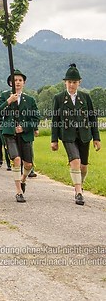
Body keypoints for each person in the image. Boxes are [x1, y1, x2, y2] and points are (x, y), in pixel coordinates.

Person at [51, 64, 101, 205]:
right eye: (69, 82)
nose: (71, 85)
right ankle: (78, 192)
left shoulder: (85, 97)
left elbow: (92, 118)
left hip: (84, 135)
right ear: (65, 82)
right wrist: (54, 140)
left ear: (79, 82)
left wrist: (96, 138)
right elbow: (55, 120)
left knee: (83, 166)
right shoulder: (59, 98)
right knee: (75, 162)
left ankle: (80, 184)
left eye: (74, 82)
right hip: (68, 135)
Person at [0, 69, 40, 203]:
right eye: (15, 80)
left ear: (24, 83)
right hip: (10, 134)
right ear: (10, 83)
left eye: (20, 80)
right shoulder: (4, 96)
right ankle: (18, 192)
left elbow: (36, 118)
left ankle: (23, 180)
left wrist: (25, 127)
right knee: (16, 160)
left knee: (28, 164)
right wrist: (8, 101)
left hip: (25, 135)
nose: (18, 82)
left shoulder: (30, 100)